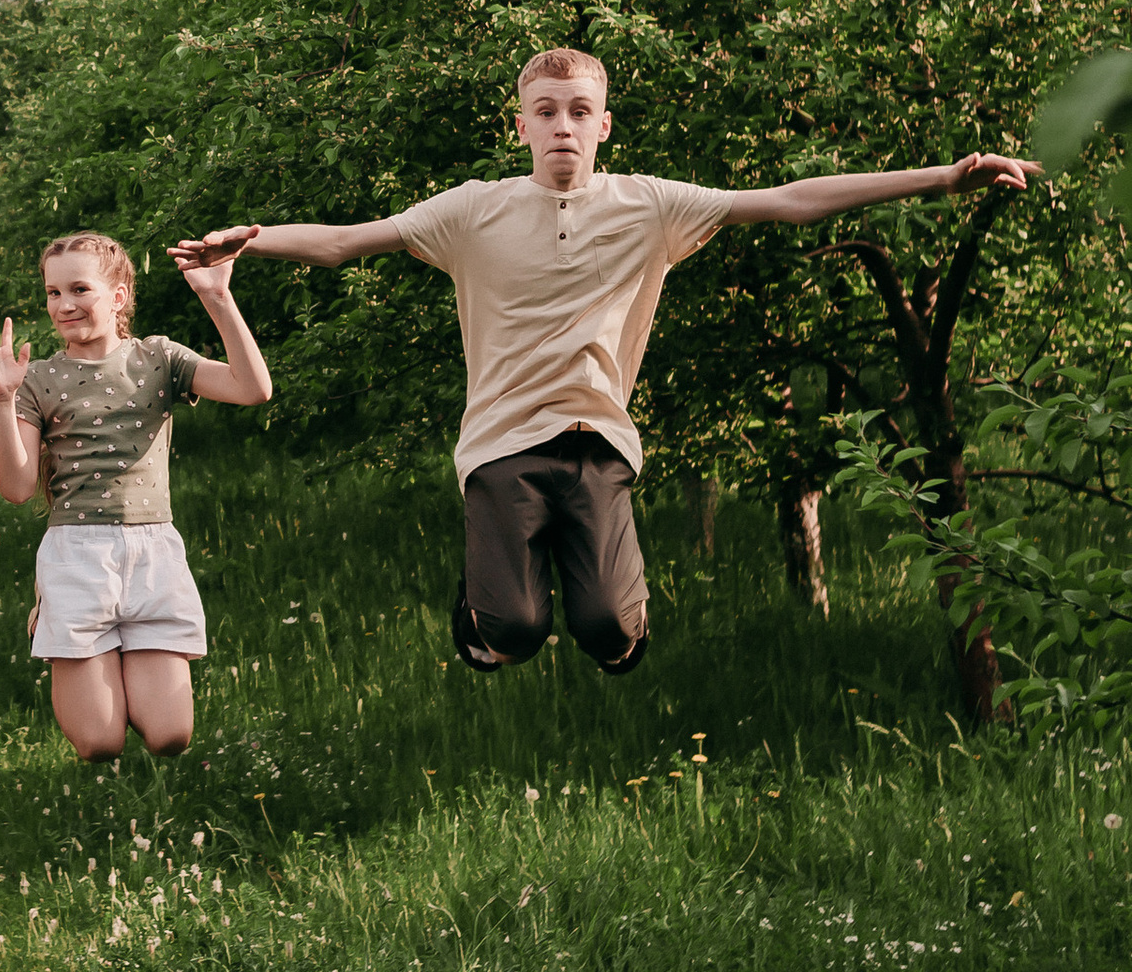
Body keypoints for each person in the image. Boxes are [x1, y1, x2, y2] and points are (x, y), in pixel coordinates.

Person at [174, 47, 1036, 679]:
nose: (563, 125)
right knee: (509, 630)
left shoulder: (650, 206)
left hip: (599, 441)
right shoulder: (471, 212)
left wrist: (942, 181)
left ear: (604, 125)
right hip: (501, 446)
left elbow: (792, 201)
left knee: (608, 632)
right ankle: (483, 609)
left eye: (579, 111)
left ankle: (611, 621)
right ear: (520, 125)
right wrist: (250, 245)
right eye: (546, 110)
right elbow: (345, 243)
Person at [0, 231, 270, 762]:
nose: (63, 305)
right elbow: (17, 489)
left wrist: (218, 299)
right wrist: (1, 398)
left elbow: (252, 389)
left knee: (170, 735)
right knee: (100, 743)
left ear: (118, 296)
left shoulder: (159, 359)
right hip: (77, 557)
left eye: (79, 289)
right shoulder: (37, 379)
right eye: (53, 293)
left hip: (154, 552)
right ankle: (85, 652)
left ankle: (121, 663)